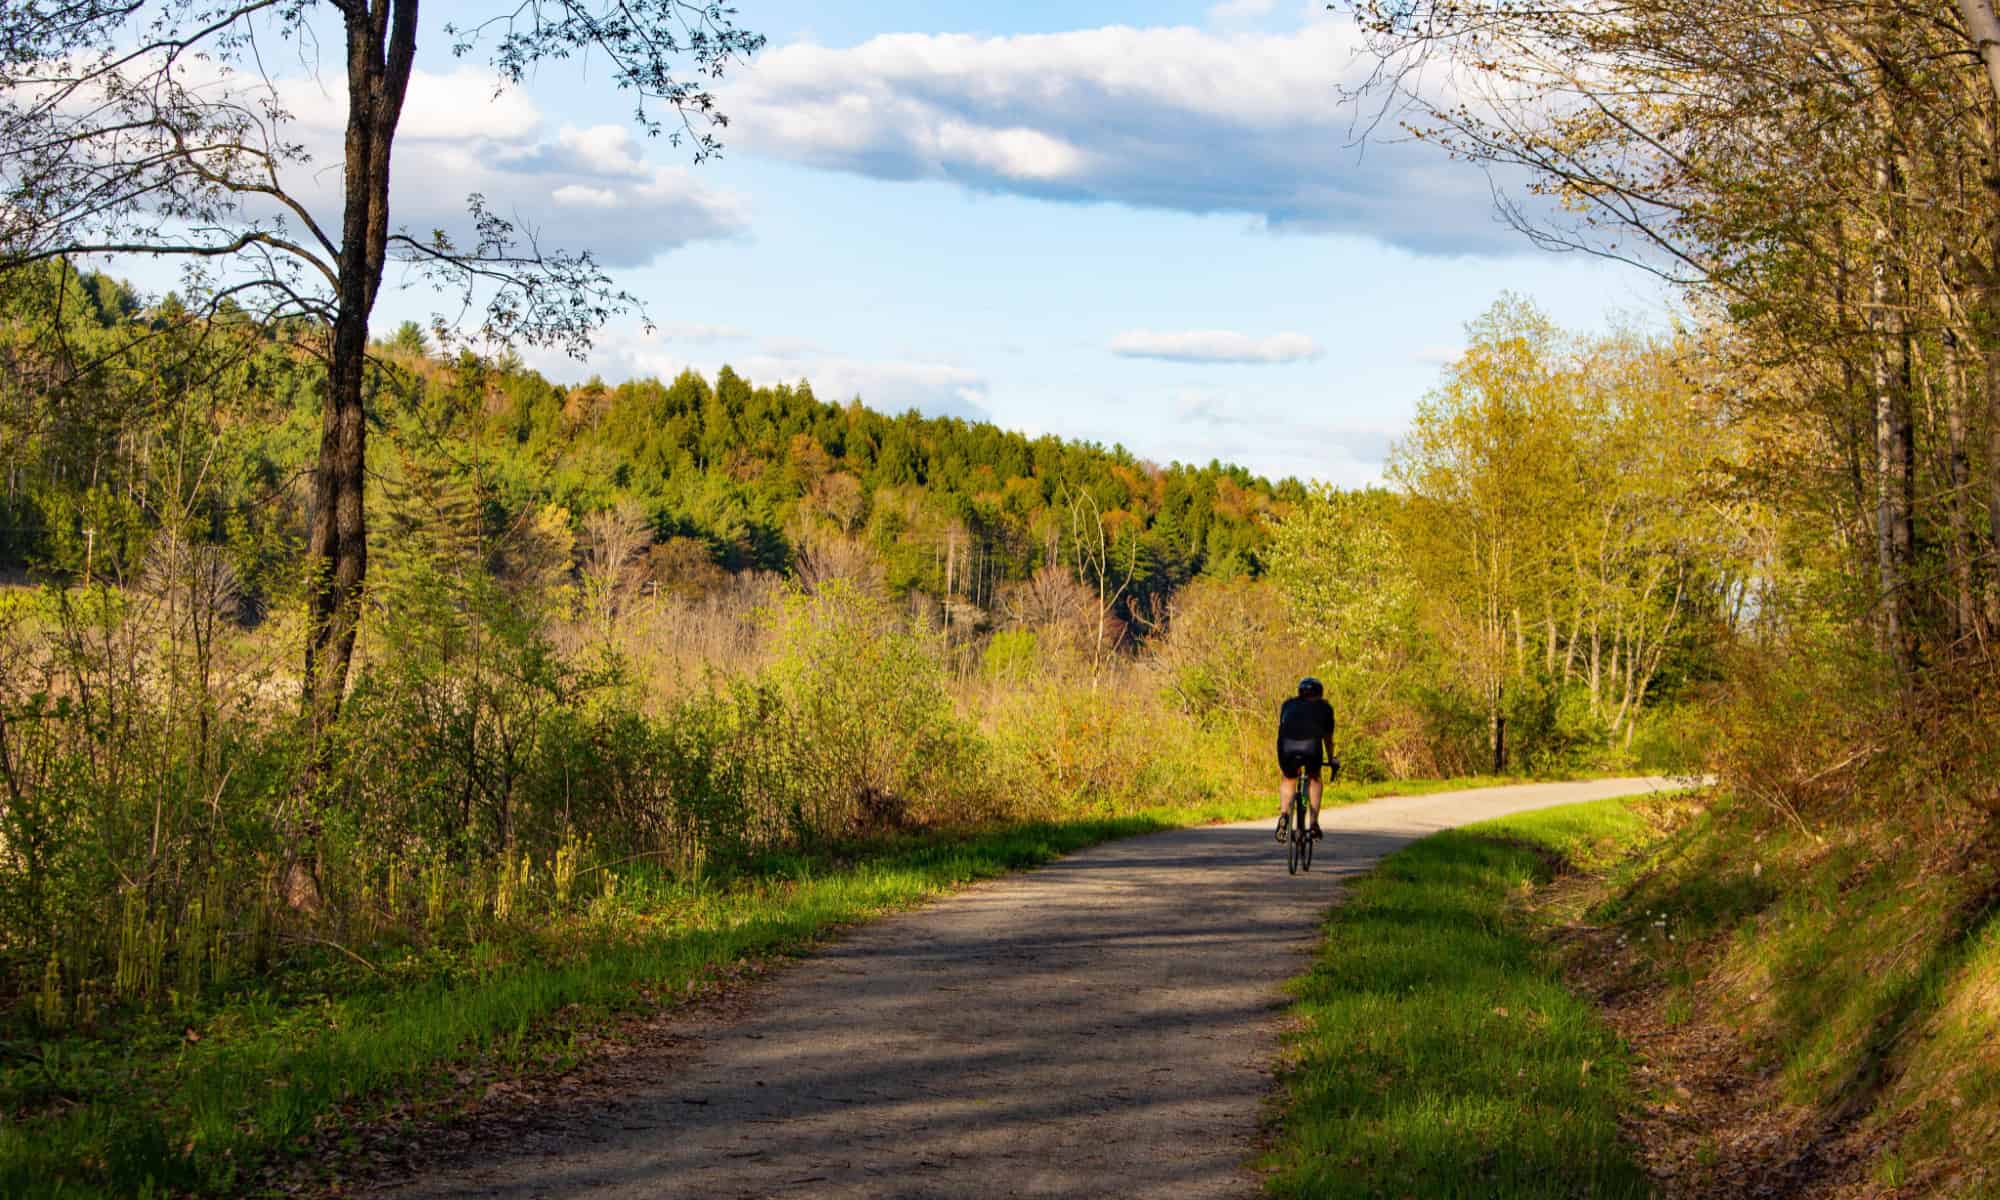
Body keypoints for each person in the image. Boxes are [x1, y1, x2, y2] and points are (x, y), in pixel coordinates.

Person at [1275, 676, 1337, 842]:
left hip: (1286, 746)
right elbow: (1328, 739)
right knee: (1314, 777)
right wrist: (1331, 759)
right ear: (1320, 694)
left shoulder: (1287, 704)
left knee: (1289, 778)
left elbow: (1283, 726)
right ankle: (1314, 823)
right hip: (1310, 747)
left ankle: (1284, 815)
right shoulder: (1324, 708)